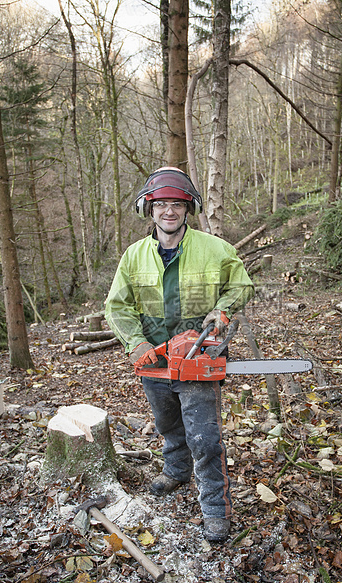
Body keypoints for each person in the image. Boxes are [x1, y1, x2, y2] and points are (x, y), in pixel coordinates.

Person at [105, 167, 254, 542]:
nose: (168, 212)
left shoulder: (215, 249)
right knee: (168, 423)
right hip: (154, 359)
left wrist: (222, 310)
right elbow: (117, 306)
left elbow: (241, 285)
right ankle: (176, 470)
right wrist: (135, 343)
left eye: (176, 204)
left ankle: (215, 509)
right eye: (161, 205)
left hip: (199, 354)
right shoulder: (134, 256)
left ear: (187, 208)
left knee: (204, 438)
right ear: (148, 209)